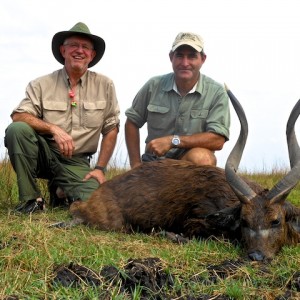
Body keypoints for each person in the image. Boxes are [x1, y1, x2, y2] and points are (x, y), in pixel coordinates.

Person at [4, 22, 120, 213]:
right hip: (44, 153)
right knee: (17, 130)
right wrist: (53, 129)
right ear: (63, 50)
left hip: (78, 161)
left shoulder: (105, 85)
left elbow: (111, 128)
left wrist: (100, 168)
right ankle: (31, 200)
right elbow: (19, 116)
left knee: (100, 206)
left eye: (85, 47)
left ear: (92, 55)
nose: (79, 51)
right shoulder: (41, 84)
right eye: (74, 45)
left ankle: (61, 191)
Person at [125, 32, 230, 169]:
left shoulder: (216, 92)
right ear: (171, 57)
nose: (185, 63)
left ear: (203, 59)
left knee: (203, 158)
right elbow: (132, 122)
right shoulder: (153, 85)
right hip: (154, 164)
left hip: (189, 166)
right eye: (179, 56)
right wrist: (135, 164)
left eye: (192, 56)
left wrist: (173, 141)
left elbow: (218, 140)